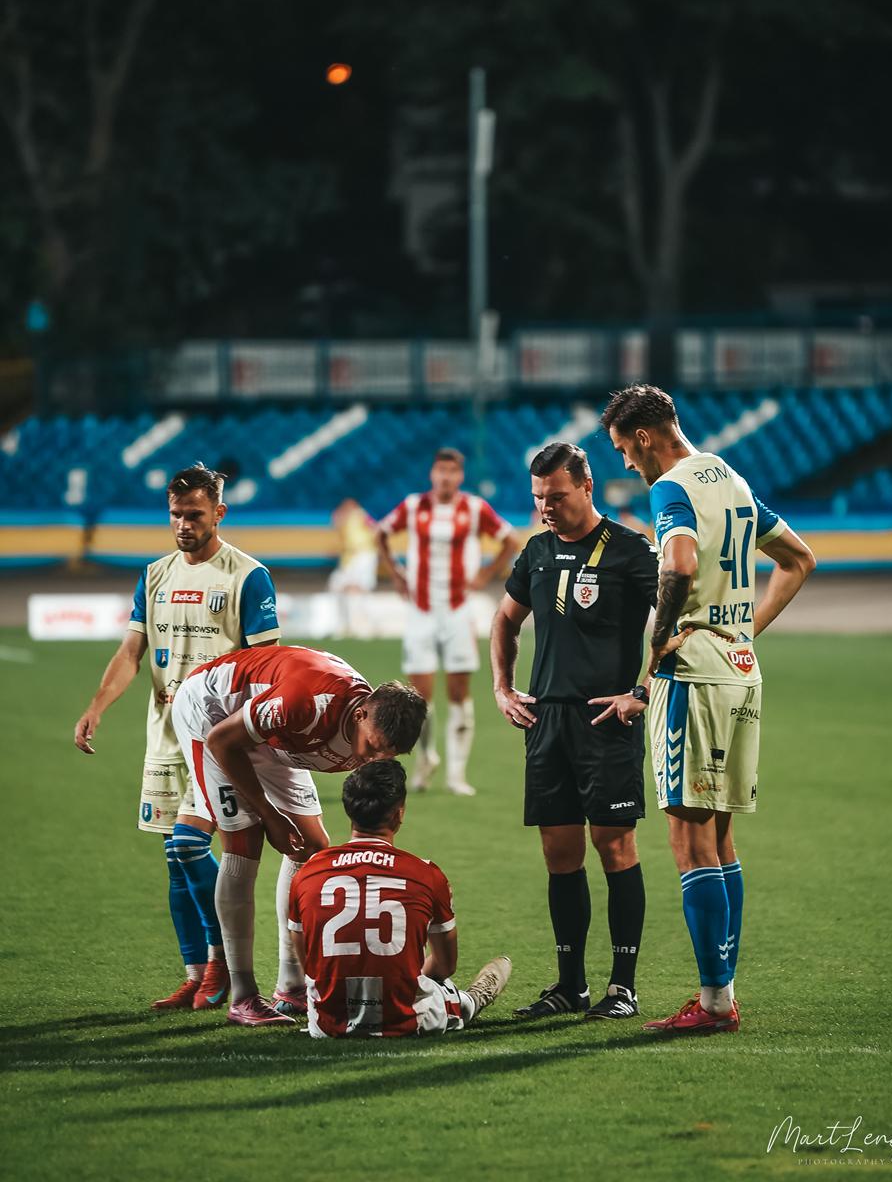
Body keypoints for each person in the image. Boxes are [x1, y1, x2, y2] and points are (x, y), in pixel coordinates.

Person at [598, 385, 816, 1034]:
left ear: (643, 437)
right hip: (740, 673)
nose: (626, 463)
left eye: (624, 449)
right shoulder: (731, 479)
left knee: (688, 839)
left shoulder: (672, 488)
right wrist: (743, 631)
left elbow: (680, 564)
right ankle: (722, 993)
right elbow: (799, 559)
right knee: (720, 837)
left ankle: (715, 1003)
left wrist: (661, 637)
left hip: (692, 677)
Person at [73, 463, 280, 1012]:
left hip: (218, 741)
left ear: (219, 512)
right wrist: (97, 706)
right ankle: (195, 975)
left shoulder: (247, 576)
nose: (184, 524)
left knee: (188, 846)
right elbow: (131, 652)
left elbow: (266, 664)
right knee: (175, 857)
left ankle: (222, 963)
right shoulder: (155, 575)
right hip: (165, 737)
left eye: (195, 514)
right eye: (176, 514)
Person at [490, 442, 665, 1021]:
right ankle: (571, 986)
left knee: (614, 846)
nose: (547, 507)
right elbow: (505, 620)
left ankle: (622, 987)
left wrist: (642, 691)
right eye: (539, 497)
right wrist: (502, 687)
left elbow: (673, 624)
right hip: (546, 722)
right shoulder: (536, 551)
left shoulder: (631, 550)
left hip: (606, 721)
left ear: (587, 488)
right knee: (559, 852)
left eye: (557, 496)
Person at [171, 643, 426, 1026]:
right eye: (372, 748)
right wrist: (270, 815)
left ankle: (290, 986)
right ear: (359, 714)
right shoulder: (307, 703)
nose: (374, 761)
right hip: (212, 716)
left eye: (387, 756)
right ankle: (243, 996)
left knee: (312, 849)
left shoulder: (368, 729)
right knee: (244, 844)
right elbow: (223, 741)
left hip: (273, 736)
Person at [289, 759, 511, 1037]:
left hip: (328, 1023)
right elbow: (445, 965)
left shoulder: (308, 872)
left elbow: (309, 964)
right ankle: (469, 1000)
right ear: (399, 813)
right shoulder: (426, 874)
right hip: (405, 1018)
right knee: (442, 990)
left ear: (349, 811)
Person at [377, 447, 518, 795]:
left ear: (460, 476)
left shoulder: (474, 508)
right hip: (421, 611)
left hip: (457, 611)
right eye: (440, 470)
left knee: (458, 692)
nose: (445, 477)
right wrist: (396, 573)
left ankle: (456, 774)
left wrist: (486, 574)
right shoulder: (414, 506)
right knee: (418, 696)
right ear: (432, 474)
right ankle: (427, 757)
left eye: (452, 471)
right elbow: (380, 533)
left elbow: (510, 540)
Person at [328, 498, 379, 637]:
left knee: (357, 588)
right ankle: (344, 624)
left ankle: (362, 626)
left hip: (363, 555)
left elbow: (374, 528)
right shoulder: (344, 523)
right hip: (350, 559)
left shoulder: (359, 514)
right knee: (337, 585)